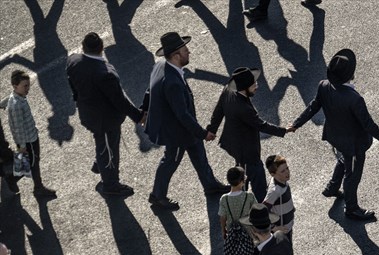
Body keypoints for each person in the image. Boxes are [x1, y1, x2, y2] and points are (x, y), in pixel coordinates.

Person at [290, 49, 379, 220]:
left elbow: (313, 107)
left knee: (342, 160)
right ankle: (351, 208)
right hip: (353, 144)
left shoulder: (323, 86)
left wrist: (296, 124)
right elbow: (368, 125)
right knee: (352, 176)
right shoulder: (354, 98)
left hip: (335, 137)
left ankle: (333, 187)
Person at [142, 32, 227, 212]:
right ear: (176, 55)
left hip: (183, 130)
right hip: (178, 133)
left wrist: (144, 110)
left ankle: (210, 184)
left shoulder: (162, 67)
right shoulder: (173, 82)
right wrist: (203, 133)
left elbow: (149, 91)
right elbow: (182, 115)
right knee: (170, 161)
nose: (189, 52)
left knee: (199, 155)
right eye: (185, 49)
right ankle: (157, 196)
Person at [66, 32, 144, 197]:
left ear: (83, 46)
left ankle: (99, 164)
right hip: (105, 120)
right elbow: (119, 100)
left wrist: (78, 99)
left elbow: (72, 84)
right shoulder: (105, 73)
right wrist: (138, 116)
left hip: (88, 114)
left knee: (102, 142)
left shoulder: (73, 61)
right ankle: (110, 184)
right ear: (101, 48)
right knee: (109, 151)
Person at [207, 67, 286, 202]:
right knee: (258, 182)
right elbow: (261, 125)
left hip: (234, 144)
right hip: (248, 150)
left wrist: (212, 129)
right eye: (253, 84)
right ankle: (262, 210)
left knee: (242, 171)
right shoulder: (244, 109)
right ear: (244, 88)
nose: (257, 86)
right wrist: (284, 130)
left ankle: (241, 195)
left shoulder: (228, 90)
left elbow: (219, 109)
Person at [3, 70, 56, 198]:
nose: (28, 88)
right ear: (15, 86)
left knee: (28, 162)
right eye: (25, 86)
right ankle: (38, 188)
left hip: (28, 138)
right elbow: (19, 128)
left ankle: (13, 178)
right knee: (34, 163)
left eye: (28, 85)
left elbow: (7, 103)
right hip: (28, 140)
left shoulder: (16, 97)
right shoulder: (16, 105)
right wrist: (22, 146)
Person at [218, 167, 258, 255]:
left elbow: (222, 217)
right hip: (249, 232)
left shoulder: (224, 199)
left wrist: (223, 230)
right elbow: (256, 211)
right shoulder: (249, 196)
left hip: (233, 233)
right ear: (242, 181)